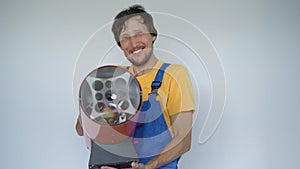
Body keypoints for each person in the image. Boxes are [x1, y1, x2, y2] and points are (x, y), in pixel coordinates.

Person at [76, 4, 194, 169]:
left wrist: (148, 167)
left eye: (138, 33)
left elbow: (183, 140)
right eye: (125, 37)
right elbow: (81, 130)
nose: (133, 42)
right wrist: (87, 101)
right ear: (120, 44)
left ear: (152, 35)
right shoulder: (113, 77)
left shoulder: (174, 74)